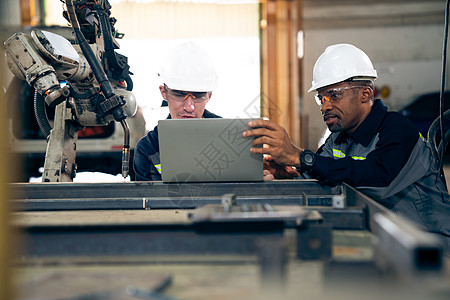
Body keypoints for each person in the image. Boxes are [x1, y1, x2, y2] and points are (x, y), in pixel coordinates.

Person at [243, 43, 450, 250]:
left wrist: (300, 157)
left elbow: (379, 179)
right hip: (385, 242)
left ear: (365, 94)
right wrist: (287, 174)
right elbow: (319, 177)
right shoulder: (338, 139)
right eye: (321, 98)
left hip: (433, 246)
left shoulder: (397, 129)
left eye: (334, 95)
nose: (325, 106)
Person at [133, 42, 221, 181]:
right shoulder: (148, 149)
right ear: (164, 92)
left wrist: (261, 182)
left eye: (198, 96)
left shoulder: (229, 136)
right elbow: (149, 200)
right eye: (180, 95)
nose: (189, 107)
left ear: (209, 96)